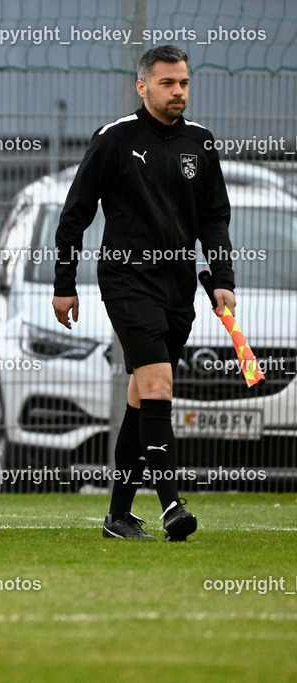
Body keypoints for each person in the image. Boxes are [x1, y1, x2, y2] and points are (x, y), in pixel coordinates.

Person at [52, 45, 233, 542]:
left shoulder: (202, 143)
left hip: (178, 283)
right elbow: (75, 216)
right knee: (158, 386)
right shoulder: (113, 140)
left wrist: (222, 279)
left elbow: (214, 219)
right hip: (127, 281)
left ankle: (117, 516)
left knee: (140, 395)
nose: (178, 92)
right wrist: (64, 284)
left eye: (184, 83)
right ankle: (172, 505)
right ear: (143, 86)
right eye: (168, 83)